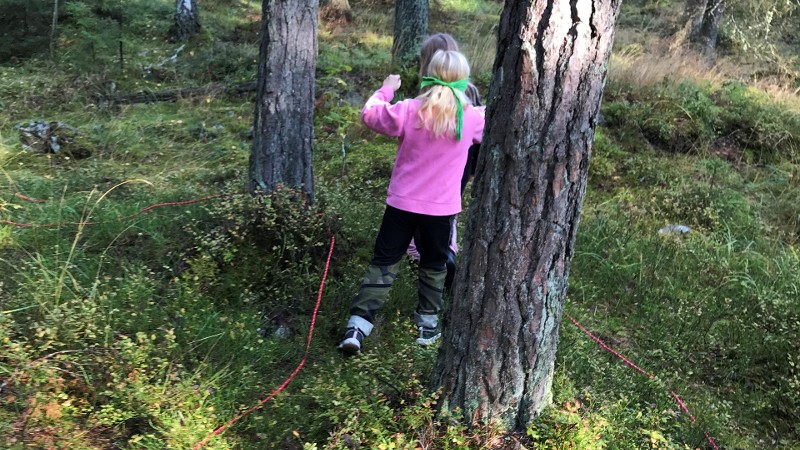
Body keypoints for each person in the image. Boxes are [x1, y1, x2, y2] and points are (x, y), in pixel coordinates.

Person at [339, 50, 485, 354]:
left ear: (428, 74)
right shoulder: (470, 118)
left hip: (401, 206)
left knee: (384, 262)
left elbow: (370, 114)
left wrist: (386, 89)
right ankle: (427, 326)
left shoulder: (408, 110)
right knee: (434, 265)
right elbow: (500, 123)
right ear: (464, 79)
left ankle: (357, 326)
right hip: (441, 211)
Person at [406, 33, 483, 290]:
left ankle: (440, 263)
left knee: (424, 218)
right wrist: (473, 169)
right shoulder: (469, 91)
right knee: (447, 216)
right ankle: (440, 257)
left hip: (435, 169)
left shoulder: (429, 95)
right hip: (458, 169)